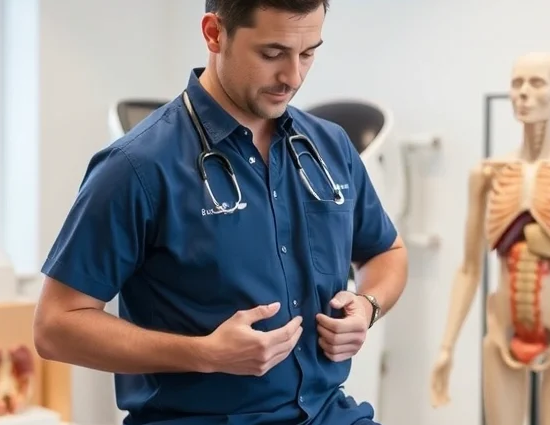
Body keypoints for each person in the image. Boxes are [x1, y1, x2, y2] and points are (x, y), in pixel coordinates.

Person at [33, 1, 408, 424]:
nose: (293, 77)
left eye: (307, 54)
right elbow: (56, 326)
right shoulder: (136, 167)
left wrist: (368, 305)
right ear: (214, 33)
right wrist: (204, 354)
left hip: (329, 413)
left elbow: (386, 251)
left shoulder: (331, 146)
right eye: (272, 54)